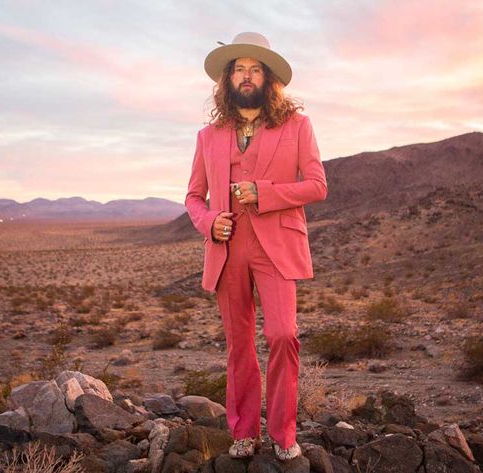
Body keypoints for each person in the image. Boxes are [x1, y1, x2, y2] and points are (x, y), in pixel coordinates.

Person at [184, 32, 327, 461]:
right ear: (228, 79)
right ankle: (244, 432)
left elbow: (317, 186)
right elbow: (193, 197)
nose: (247, 76)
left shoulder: (297, 126)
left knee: (283, 334)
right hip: (228, 250)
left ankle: (284, 434)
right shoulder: (208, 136)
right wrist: (210, 222)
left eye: (255, 69)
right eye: (239, 69)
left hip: (276, 246)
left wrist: (263, 192)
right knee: (239, 344)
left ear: (269, 78)